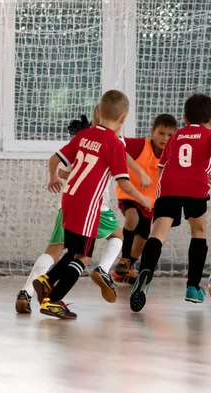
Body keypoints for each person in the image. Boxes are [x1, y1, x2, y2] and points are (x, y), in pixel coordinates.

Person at [15, 105, 151, 313]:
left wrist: (138, 170)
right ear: (122, 118)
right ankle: (100, 272)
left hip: (67, 202)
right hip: (93, 206)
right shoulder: (111, 140)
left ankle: (28, 291)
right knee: (95, 249)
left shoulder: (84, 138)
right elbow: (121, 164)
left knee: (59, 250)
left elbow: (61, 170)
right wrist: (142, 196)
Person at [129, 93, 211, 312]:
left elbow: (163, 166)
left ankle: (144, 275)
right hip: (195, 189)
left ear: (184, 118)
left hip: (169, 187)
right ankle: (192, 287)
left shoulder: (176, 136)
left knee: (158, 234)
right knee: (199, 231)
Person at [113, 114, 178, 284]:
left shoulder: (174, 155)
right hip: (131, 194)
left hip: (151, 203)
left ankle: (123, 271)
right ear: (152, 132)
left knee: (142, 240)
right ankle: (124, 259)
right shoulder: (140, 145)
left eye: (170, 135)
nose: (165, 138)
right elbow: (117, 143)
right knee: (132, 216)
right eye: (161, 133)